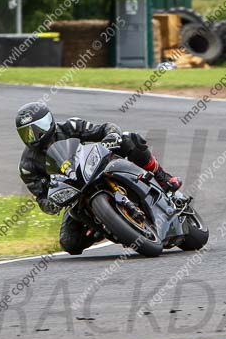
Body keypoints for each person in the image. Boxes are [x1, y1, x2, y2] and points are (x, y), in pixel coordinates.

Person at [16, 102, 181, 255]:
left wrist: (111, 137)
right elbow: (42, 198)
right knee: (70, 244)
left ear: (49, 121)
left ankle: (162, 177)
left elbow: (105, 128)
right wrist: (53, 203)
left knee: (129, 139)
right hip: (74, 194)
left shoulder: (69, 127)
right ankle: (105, 226)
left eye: (37, 129)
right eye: (27, 134)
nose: (33, 137)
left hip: (94, 166)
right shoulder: (27, 166)